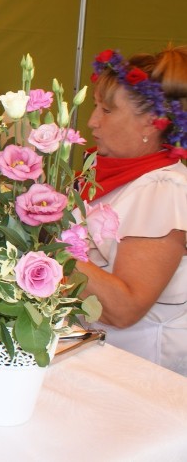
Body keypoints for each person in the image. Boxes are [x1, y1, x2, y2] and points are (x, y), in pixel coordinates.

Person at [77, 45, 187, 376]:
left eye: (107, 111)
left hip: (143, 370)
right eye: (96, 106)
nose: (92, 121)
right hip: (102, 358)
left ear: (151, 124)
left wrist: (48, 248)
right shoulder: (105, 167)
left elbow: (124, 309)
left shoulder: (164, 189)